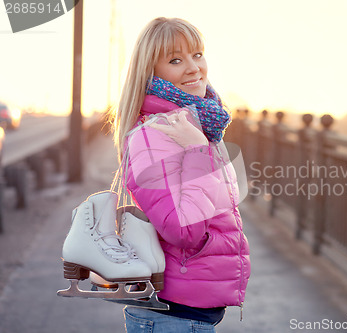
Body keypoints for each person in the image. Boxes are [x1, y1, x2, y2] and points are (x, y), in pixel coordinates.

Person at [110, 17, 251, 332]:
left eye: (197, 54)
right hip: (172, 317)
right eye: (176, 60)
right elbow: (183, 230)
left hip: (185, 315)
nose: (193, 67)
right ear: (152, 72)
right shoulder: (155, 134)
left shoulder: (194, 125)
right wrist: (199, 152)